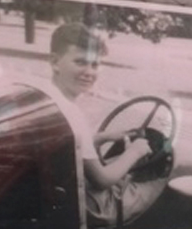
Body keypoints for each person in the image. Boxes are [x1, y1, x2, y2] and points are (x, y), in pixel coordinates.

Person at [49, 23, 169, 227]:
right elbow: (102, 180)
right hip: (88, 206)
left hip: (58, 193)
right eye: (80, 62)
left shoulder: (50, 100)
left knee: (122, 169)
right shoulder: (71, 115)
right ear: (55, 62)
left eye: (95, 65)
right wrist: (135, 152)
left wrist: (102, 138)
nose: (89, 72)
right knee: (161, 183)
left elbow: (70, 149)